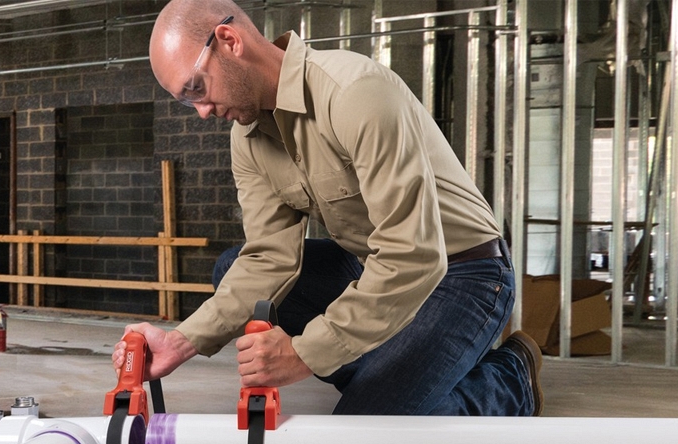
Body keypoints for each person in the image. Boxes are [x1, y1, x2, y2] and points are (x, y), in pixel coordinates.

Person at [112, 0, 544, 416]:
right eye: (186, 100)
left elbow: (413, 254)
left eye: (196, 88)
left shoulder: (355, 93)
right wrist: (180, 342)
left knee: (368, 431)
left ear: (229, 40)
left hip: (464, 272)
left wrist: (305, 353)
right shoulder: (247, 138)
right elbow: (269, 258)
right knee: (232, 267)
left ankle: (511, 379)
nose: (202, 111)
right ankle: (391, 370)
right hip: (373, 266)